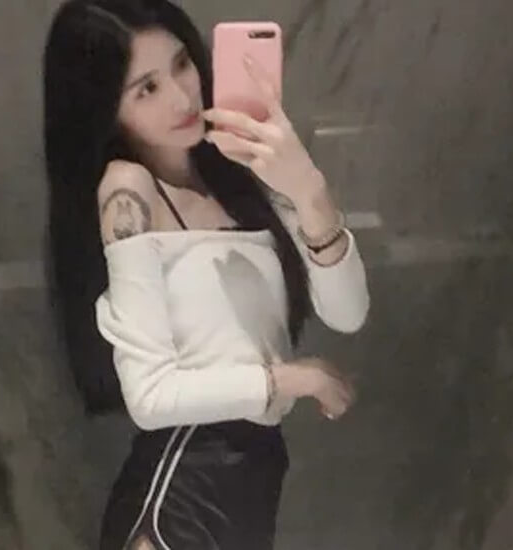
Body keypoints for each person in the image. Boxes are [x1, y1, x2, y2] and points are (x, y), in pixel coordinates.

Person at [44, 1, 370, 548]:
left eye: (181, 64)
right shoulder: (129, 190)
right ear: (105, 108)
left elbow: (348, 312)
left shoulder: (243, 178)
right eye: (146, 88)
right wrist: (295, 379)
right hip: (179, 494)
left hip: (250, 481)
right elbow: (150, 396)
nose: (181, 96)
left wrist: (309, 191)